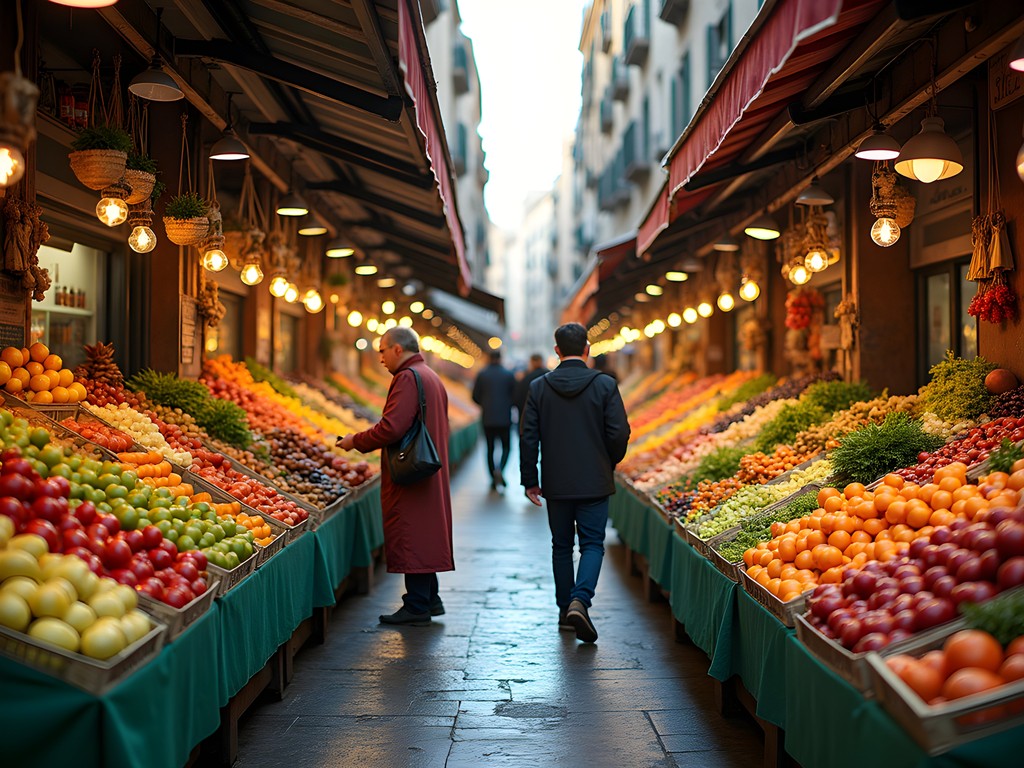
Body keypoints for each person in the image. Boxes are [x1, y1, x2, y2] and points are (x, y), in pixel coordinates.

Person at [519, 323, 630, 643]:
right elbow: (619, 433)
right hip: (594, 478)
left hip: (556, 481)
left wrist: (530, 479)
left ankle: (565, 608)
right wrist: (608, 460)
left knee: (561, 546)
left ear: (556, 350)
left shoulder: (539, 387)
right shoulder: (605, 384)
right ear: (587, 349)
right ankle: (580, 601)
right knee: (592, 544)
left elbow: (528, 437)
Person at [338, 327, 453, 627]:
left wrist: (356, 441)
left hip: (411, 471)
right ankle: (430, 598)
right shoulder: (430, 375)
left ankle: (416, 605)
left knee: (412, 531)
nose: (380, 359)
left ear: (398, 350)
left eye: (382, 351)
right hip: (428, 468)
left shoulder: (406, 378)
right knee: (425, 532)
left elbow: (392, 427)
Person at [472, 349, 516, 490]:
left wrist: (485, 404)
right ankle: (500, 469)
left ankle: (492, 477)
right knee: (507, 447)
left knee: (489, 448)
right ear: (501, 358)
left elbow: (474, 396)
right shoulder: (509, 375)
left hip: (488, 418)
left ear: (488, 358)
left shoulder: (482, 374)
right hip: (504, 418)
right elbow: (514, 396)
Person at [513, 353, 548, 419]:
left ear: (531, 362)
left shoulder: (526, 377)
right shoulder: (548, 376)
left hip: (529, 414)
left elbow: (519, 398)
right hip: (546, 414)